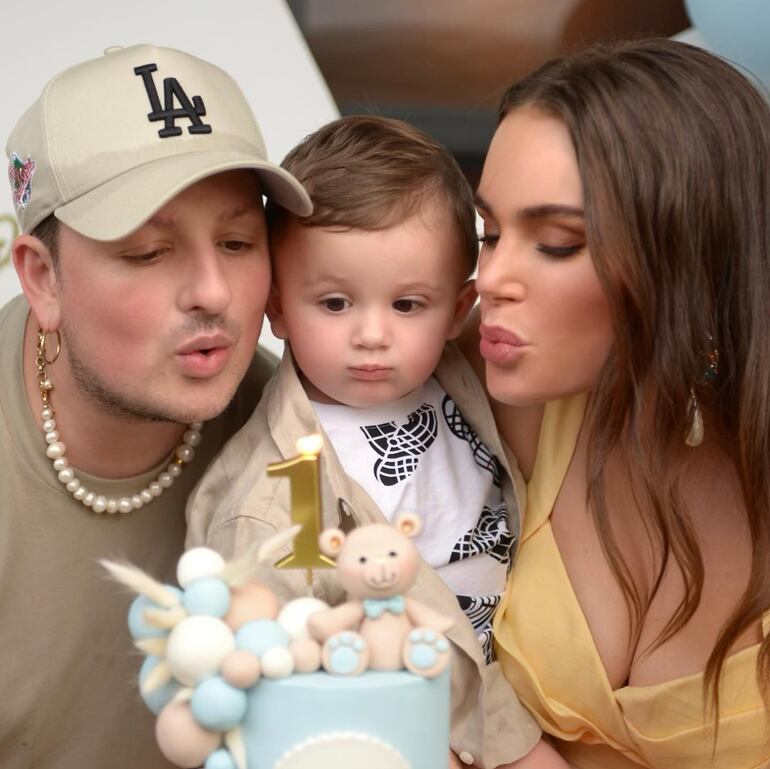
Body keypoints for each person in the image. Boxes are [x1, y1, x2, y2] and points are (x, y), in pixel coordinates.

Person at [186, 115, 542, 768]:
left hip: (520, 684)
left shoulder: (466, 374)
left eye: (407, 305)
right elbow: (285, 679)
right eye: (335, 303)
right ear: (278, 306)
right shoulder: (285, 491)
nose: (372, 334)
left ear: (459, 306)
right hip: (418, 729)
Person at [0, 44, 311, 769]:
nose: (213, 291)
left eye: (238, 241)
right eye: (148, 252)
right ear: (41, 277)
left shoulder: (300, 440)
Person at [464, 38, 770, 768]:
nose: (491, 277)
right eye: (489, 233)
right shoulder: (498, 384)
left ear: (692, 253)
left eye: (559, 242)